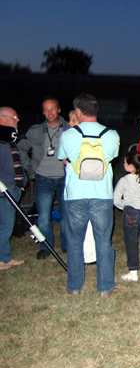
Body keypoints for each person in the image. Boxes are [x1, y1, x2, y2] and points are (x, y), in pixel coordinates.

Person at [58, 94, 120, 296]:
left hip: (75, 195)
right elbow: (111, 158)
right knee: (103, 241)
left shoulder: (68, 135)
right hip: (102, 195)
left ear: (78, 112)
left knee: (75, 242)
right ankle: (106, 287)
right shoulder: (112, 135)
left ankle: (74, 287)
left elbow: (63, 160)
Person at [18, 97, 70, 259]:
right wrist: (29, 167)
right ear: (42, 112)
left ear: (59, 110)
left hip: (64, 177)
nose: (50, 112)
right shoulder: (35, 131)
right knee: (44, 216)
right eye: (46, 109)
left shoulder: (69, 129)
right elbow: (21, 147)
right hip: (43, 178)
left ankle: (66, 245)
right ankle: (45, 246)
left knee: (66, 215)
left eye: (53, 108)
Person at [114, 149, 140, 282]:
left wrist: (125, 207)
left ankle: (133, 272)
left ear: (131, 166)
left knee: (131, 242)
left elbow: (115, 200)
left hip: (130, 213)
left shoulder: (124, 180)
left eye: (125, 163)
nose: (123, 165)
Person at [68, 110, 97, 264]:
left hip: (86, 187)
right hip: (75, 187)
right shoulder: (69, 137)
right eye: (69, 121)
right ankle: (83, 253)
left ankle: (90, 255)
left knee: (89, 222)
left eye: (73, 120)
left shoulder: (85, 139)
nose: (70, 124)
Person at [0, 106, 26, 271]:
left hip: (14, 187)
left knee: (5, 223)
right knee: (6, 225)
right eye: (13, 117)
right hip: (5, 190)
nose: (17, 119)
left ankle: (5, 258)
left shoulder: (9, 138)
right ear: (1, 119)